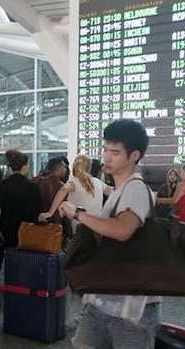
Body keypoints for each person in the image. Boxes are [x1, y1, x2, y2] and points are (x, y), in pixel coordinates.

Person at [58, 119, 160, 349]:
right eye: (105, 150)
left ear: (134, 156)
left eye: (115, 152)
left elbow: (123, 230)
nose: (107, 157)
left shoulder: (136, 188)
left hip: (131, 311)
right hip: (103, 303)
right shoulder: (118, 191)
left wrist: (78, 214)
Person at [40, 154, 113, 233]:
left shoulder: (74, 181)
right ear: (89, 167)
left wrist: (50, 212)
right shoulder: (98, 182)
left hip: (80, 227)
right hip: (97, 226)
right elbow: (113, 192)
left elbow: (64, 189)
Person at [0, 150, 43, 254]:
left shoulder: (2, 185)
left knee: (7, 263)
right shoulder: (33, 186)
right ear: (24, 166)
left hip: (6, 231)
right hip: (28, 231)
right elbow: (41, 209)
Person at [36, 157, 69, 224]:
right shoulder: (62, 187)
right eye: (64, 166)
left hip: (41, 221)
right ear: (59, 168)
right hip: (57, 225)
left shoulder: (39, 182)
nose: (66, 169)